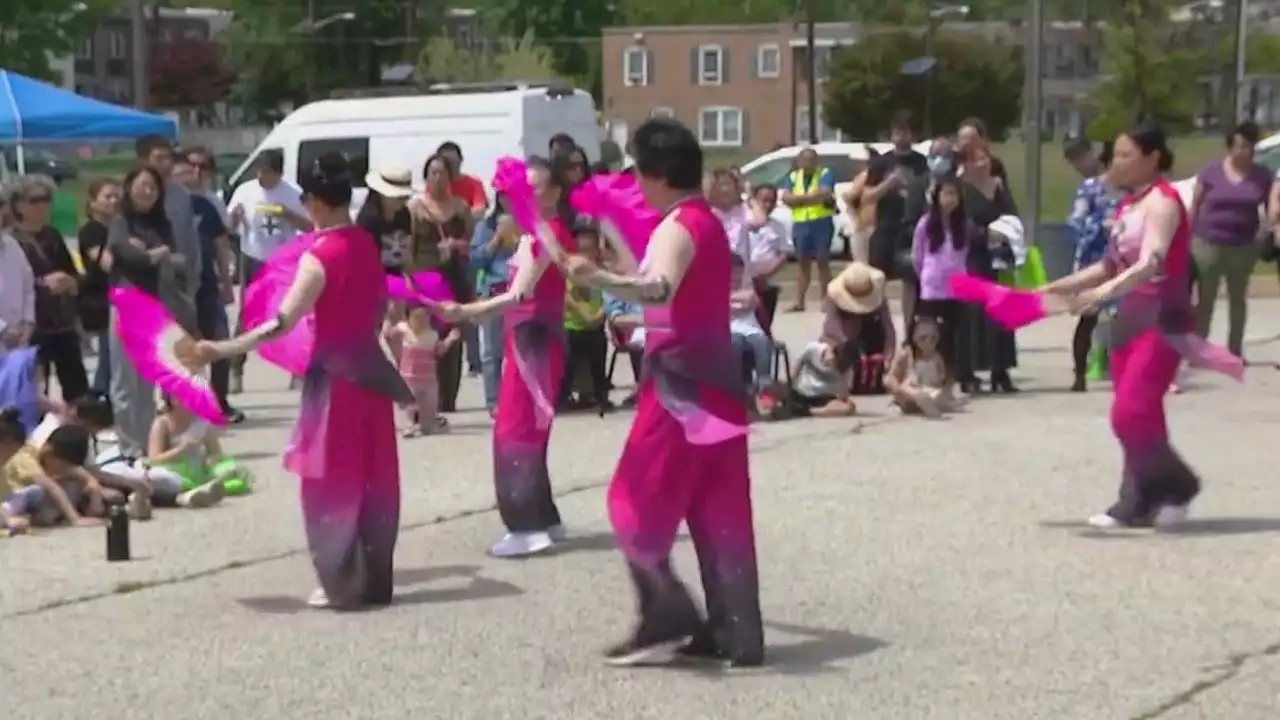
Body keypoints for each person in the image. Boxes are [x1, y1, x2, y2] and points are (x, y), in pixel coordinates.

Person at [561, 118, 763, 667]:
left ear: (657, 174)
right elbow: (664, 284)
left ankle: (666, 615)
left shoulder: (680, 226)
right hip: (718, 383)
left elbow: (660, 288)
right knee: (717, 512)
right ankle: (734, 631)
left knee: (632, 502)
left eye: (638, 171)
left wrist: (597, 279)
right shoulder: (706, 222)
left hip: (680, 389)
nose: (635, 182)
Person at [186, 151, 411, 609]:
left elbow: (281, 324)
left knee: (331, 478)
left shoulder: (319, 256)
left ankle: (339, 578)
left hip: (335, 379)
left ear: (311, 202)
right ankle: (370, 575)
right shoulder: (365, 244)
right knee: (373, 474)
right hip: (370, 371)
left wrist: (221, 350)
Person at [1040, 122, 1213, 530]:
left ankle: (1179, 484)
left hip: (1163, 321)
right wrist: (1049, 290)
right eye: (1114, 155)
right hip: (1131, 321)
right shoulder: (1127, 207)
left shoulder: (1163, 203)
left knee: (1129, 413)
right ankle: (1136, 499)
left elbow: (1151, 261)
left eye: (1124, 155)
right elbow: (1108, 266)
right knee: (1144, 415)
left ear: (1152, 158)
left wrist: (1099, 297)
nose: (1115, 163)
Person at [432, 156, 575, 558]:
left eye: (536, 187)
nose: (524, 194)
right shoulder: (535, 232)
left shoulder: (545, 234)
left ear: (555, 193)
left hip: (534, 340)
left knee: (514, 433)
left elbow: (520, 294)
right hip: (531, 338)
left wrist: (466, 312)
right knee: (528, 431)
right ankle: (545, 517)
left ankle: (527, 526)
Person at [105, 166, 179, 457]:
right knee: (124, 382)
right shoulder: (120, 222)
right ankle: (128, 446)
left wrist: (150, 253)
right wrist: (153, 253)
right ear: (130, 187)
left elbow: (171, 250)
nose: (148, 191)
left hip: (153, 305)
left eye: (153, 187)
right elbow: (130, 256)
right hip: (126, 302)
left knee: (146, 381)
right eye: (142, 185)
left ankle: (149, 446)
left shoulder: (162, 222)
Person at [226, 149, 311, 392]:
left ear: (279, 173)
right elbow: (230, 226)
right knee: (247, 315)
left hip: (283, 261)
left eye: (269, 172)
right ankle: (235, 368)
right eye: (261, 171)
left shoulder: (292, 193)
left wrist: (289, 216)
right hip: (252, 257)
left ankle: (297, 369)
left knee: (289, 314)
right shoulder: (246, 191)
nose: (264, 176)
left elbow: (309, 226)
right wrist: (235, 218)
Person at [1188, 121, 1273, 359]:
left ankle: (1234, 349)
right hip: (1208, 242)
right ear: (1230, 147)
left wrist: (1263, 234)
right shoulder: (1211, 171)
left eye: (1251, 146)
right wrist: (1188, 234)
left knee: (1238, 299)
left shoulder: (1261, 175)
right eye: (1242, 146)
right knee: (1205, 297)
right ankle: (1198, 348)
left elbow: (1270, 208)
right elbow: (1195, 204)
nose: (1247, 151)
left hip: (1243, 245)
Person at [5, 176, 88, 403]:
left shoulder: (53, 235)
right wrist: (44, 285)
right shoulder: (11, 242)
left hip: (63, 325)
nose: (44, 205)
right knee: (34, 395)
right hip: (33, 328)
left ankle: (79, 434)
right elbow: (14, 285)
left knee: (78, 391)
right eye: (36, 199)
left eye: (47, 199)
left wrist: (70, 282)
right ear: (19, 204)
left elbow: (73, 273)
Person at [175, 158, 243, 423]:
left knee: (219, 342)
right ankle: (183, 406)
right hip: (177, 288)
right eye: (183, 170)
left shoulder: (203, 204)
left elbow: (220, 243)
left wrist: (226, 280)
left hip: (207, 285)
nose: (191, 174)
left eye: (193, 170)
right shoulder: (164, 207)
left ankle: (220, 401)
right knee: (181, 349)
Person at [407, 153, 475, 413]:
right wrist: (409, 278)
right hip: (425, 277)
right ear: (425, 176)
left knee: (453, 335)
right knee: (425, 335)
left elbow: (473, 244)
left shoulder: (460, 207)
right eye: (433, 173)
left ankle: (448, 397)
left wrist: (457, 244)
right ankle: (426, 396)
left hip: (453, 276)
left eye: (442, 173)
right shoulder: (415, 208)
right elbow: (409, 247)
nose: (438, 178)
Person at [858, 112, 930, 328]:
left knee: (911, 281)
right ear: (891, 134)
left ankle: (909, 330)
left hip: (912, 228)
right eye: (897, 131)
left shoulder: (921, 162)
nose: (901, 136)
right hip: (886, 227)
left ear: (913, 135)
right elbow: (866, 197)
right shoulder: (881, 162)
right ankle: (880, 326)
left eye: (906, 132)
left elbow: (929, 190)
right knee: (877, 280)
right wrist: (888, 184)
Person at [958, 147, 1020, 393]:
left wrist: (1004, 234)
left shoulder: (998, 186)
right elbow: (961, 222)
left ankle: (1000, 370)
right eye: (976, 159)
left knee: (1002, 311)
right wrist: (983, 234)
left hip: (998, 257)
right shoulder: (962, 187)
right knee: (972, 314)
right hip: (972, 257)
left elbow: (1012, 215)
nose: (983, 163)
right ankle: (968, 371)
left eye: (985, 158)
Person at [912, 174, 978, 390]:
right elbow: (917, 256)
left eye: (954, 194)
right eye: (946, 193)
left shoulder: (965, 225)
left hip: (958, 288)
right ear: (936, 196)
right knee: (931, 335)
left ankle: (958, 376)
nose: (950, 199)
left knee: (957, 335)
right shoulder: (925, 224)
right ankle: (929, 377)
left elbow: (966, 255)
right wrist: (926, 276)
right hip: (932, 288)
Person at [1066, 141, 1121, 392]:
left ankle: (1123, 370)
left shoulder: (1132, 191)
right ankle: (1079, 374)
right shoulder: (1090, 188)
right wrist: (1100, 225)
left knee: (1125, 318)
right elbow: (1075, 221)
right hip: (1093, 259)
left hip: (1124, 260)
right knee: (1088, 317)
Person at [136, 136, 201, 335]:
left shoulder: (181, 195)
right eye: (159, 158)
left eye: (168, 158)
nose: (166, 163)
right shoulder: (131, 194)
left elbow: (191, 238)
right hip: (145, 284)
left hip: (178, 285)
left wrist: (193, 279)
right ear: (144, 160)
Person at [820, 262, 895, 408]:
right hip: (844, 342)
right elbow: (830, 331)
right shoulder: (834, 300)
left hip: (870, 337)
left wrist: (888, 355)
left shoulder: (879, 299)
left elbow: (888, 327)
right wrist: (848, 350)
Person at [471, 196, 518, 415]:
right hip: (493, 289)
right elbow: (476, 260)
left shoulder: (527, 222)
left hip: (519, 290)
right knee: (491, 351)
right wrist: (497, 238)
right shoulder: (485, 226)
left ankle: (516, 398)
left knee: (519, 350)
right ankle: (494, 401)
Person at [77, 178, 121, 393]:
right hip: (101, 300)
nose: (113, 201)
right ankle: (99, 397)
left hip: (121, 299)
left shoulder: (120, 227)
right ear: (93, 202)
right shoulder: (91, 231)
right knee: (109, 356)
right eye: (107, 196)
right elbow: (106, 263)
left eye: (117, 197)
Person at [560, 222, 610, 411]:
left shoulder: (601, 271)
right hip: (573, 325)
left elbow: (608, 294)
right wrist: (586, 315)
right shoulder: (571, 270)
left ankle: (600, 395)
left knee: (598, 362)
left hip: (596, 324)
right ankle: (563, 398)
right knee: (569, 365)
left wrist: (600, 314)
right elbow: (568, 297)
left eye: (590, 249)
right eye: (582, 250)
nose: (586, 255)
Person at [781, 147, 836, 312]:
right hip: (801, 224)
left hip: (821, 222)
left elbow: (825, 193)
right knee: (802, 263)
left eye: (812, 159)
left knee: (822, 261)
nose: (808, 163)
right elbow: (785, 197)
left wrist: (798, 200)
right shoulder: (793, 176)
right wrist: (812, 197)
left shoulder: (825, 173)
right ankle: (799, 301)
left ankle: (826, 300)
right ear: (798, 162)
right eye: (804, 159)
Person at [384, 304, 450, 437]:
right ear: (411, 318)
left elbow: (439, 350)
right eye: (417, 318)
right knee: (409, 404)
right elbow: (388, 334)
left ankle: (427, 423)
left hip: (428, 378)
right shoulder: (404, 329)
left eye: (425, 318)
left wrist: (450, 340)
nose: (421, 321)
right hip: (409, 377)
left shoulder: (432, 335)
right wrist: (388, 321)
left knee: (429, 405)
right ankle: (409, 426)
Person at [886, 316, 964, 418]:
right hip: (910, 394)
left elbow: (945, 379)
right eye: (923, 338)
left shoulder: (937, 356)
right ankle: (921, 399)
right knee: (908, 384)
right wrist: (897, 388)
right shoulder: (906, 353)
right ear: (914, 338)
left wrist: (946, 387)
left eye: (933, 338)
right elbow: (890, 378)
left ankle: (930, 401)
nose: (929, 343)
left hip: (930, 391)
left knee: (940, 395)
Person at [742, 184, 791, 330]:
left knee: (765, 324)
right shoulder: (743, 223)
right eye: (764, 200)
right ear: (754, 201)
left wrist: (769, 272)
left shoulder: (778, 227)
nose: (768, 204)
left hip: (767, 282)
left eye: (772, 201)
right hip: (745, 281)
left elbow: (785, 253)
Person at [357, 165, 416, 274]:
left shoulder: (404, 214)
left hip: (398, 275)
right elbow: (366, 261)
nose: (403, 200)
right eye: (399, 196)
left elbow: (406, 251)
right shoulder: (368, 220)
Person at [436, 141, 489, 222]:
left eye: (453, 162)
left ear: (461, 160)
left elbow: (480, 210)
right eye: (447, 163)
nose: (451, 166)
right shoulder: (435, 184)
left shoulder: (474, 183)